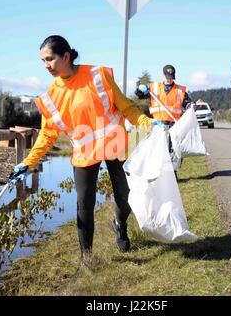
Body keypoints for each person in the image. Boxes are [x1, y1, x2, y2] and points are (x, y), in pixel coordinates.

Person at [11, 35, 158, 261]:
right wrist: (28, 162)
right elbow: (48, 134)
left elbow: (126, 107)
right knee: (84, 204)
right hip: (84, 153)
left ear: (66, 56)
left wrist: (147, 123)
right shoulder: (51, 96)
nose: (46, 65)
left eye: (49, 59)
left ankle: (120, 224)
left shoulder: (98, 76)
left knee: (124, 196)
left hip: (115, 144)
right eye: (43, 61)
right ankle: (86, 259)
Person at [136, 65, 194, 176]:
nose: (170, 79)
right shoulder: (154, 88)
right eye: (168, 77)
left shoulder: (180, 90)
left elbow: (187, 103)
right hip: (158, 125)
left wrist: (190, 106)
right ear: (163, 75)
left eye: (171, 77)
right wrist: (140, 89)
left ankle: (173, 173)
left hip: (174, 125)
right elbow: (140, 96)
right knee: (159, 150)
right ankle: (160, 173)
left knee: (174, 149)